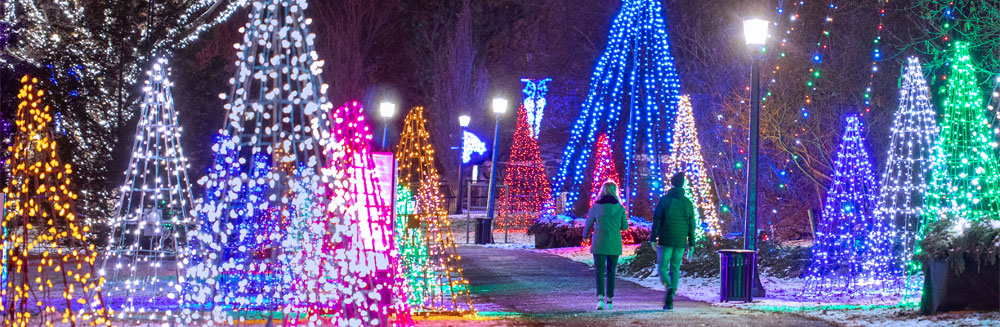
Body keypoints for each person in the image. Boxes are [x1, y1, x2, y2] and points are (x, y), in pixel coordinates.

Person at [650, 172, 696, 310]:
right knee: (675, 268)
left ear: (672, 184)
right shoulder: (688, 203)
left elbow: (657, 219)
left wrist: (653, 238)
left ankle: (668, 287)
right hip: (680, 241)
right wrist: (692, 242)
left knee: (662, 266)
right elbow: (691, 224)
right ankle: (671, 295)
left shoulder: (665, 200)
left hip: (666, 239)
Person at [583, 181, 628, 310]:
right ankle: (610, 299)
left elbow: (589, 223)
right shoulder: (620, 208)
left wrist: (585, 236)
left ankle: (600, 298)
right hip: (614, 243)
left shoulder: (596, 207)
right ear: (615, 192)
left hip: (599, 242)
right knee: (611, 271)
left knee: (599, 271)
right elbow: (624, 227)